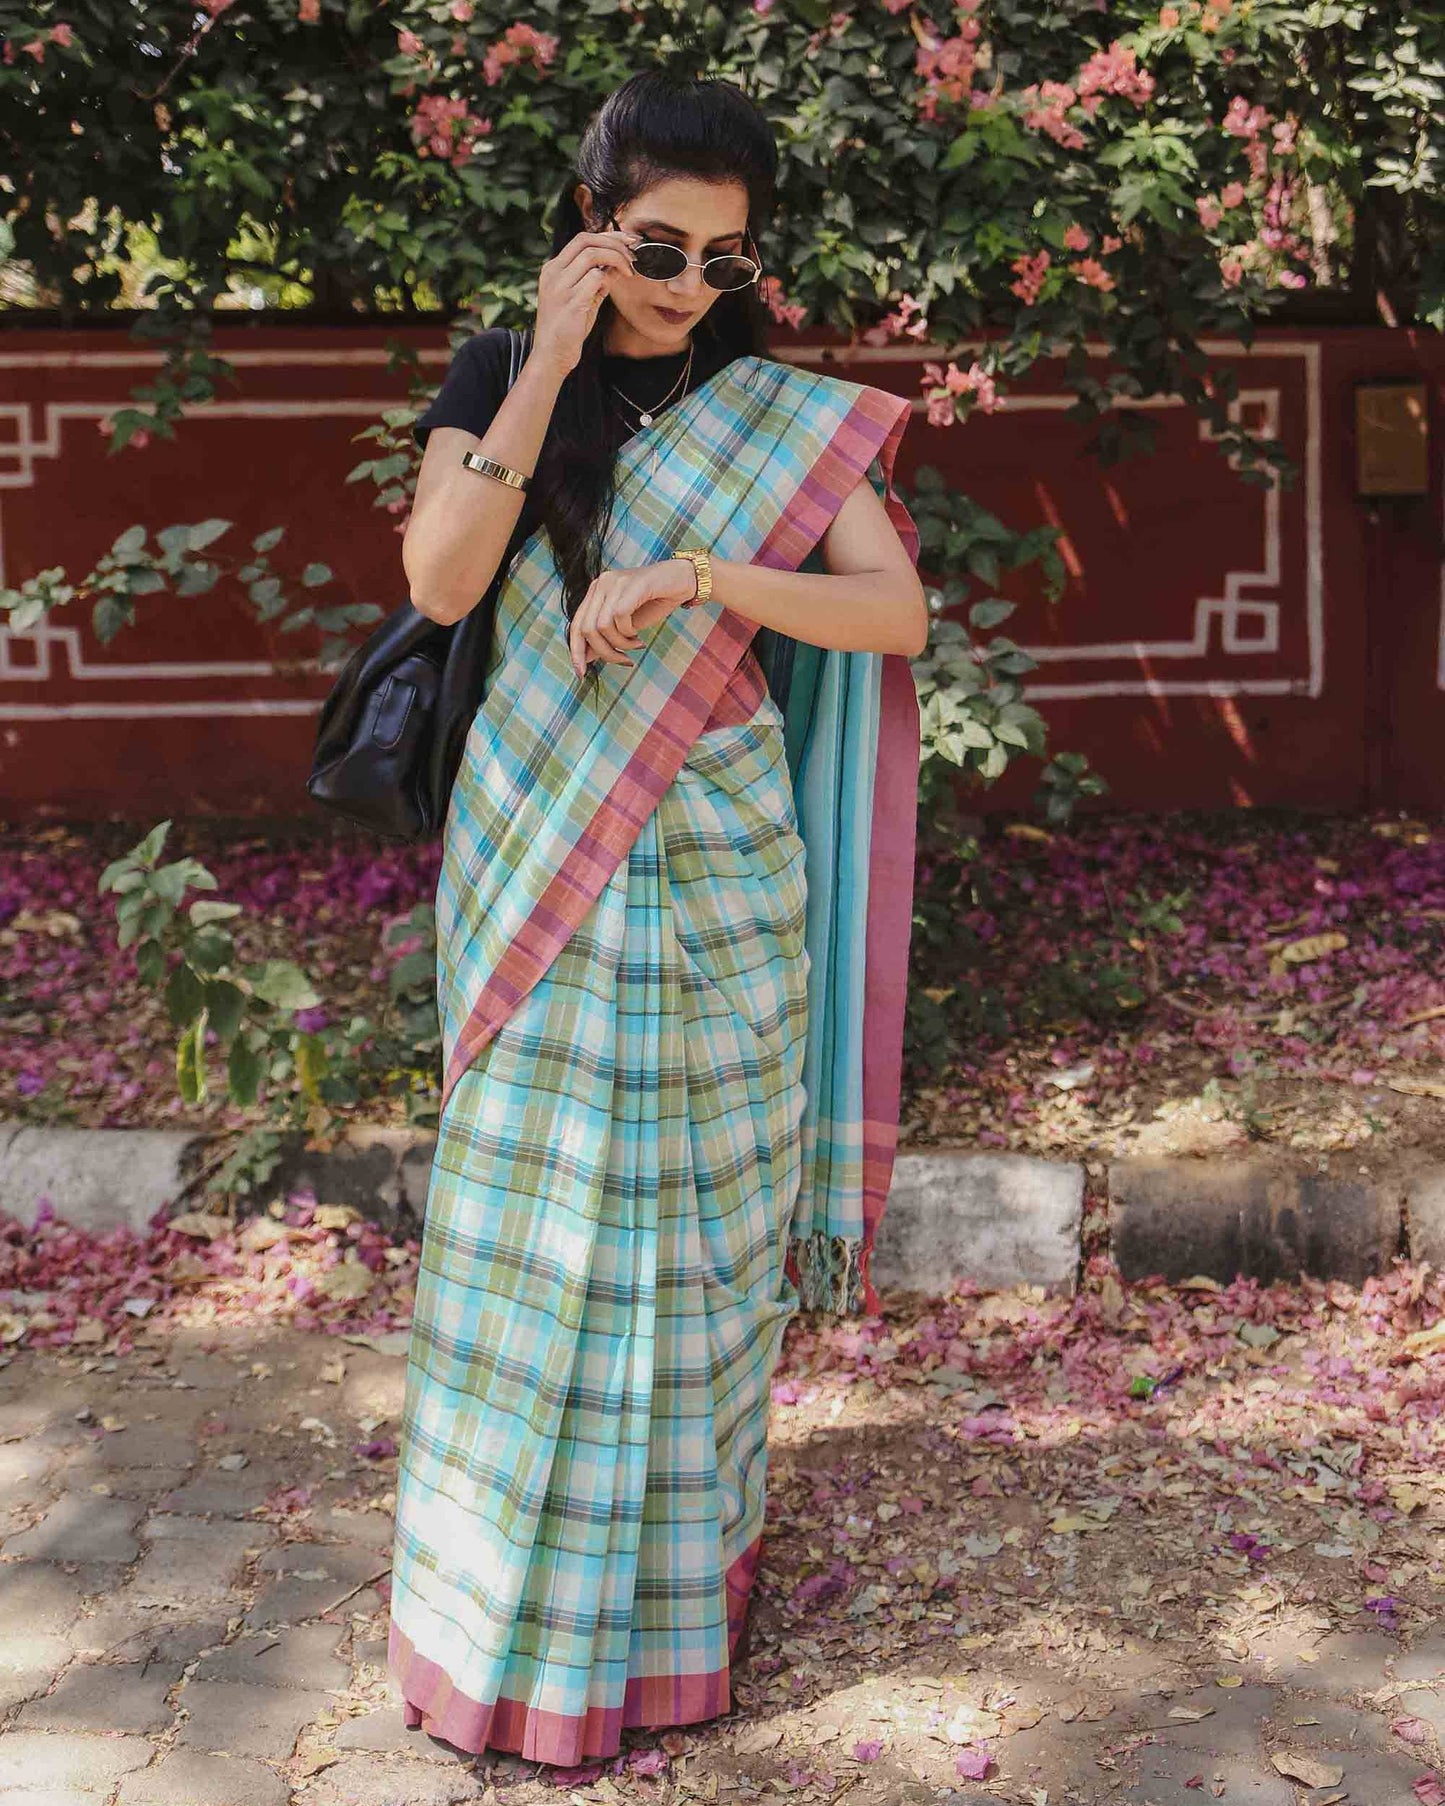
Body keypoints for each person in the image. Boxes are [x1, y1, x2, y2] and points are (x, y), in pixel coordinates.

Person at [388, 66, 928, 1769]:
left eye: (722, 254)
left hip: (716, 854)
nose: (689, 280)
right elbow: (440, 582)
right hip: (538, 843)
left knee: (692, 1236)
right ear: (588, 229)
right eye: (656, 244)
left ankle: (675, 1614)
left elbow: (893, 615)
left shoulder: (767, 401)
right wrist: (544, 364)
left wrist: (700, 576)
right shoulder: (500, 376)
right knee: (526, 1236)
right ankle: (498, 1622)